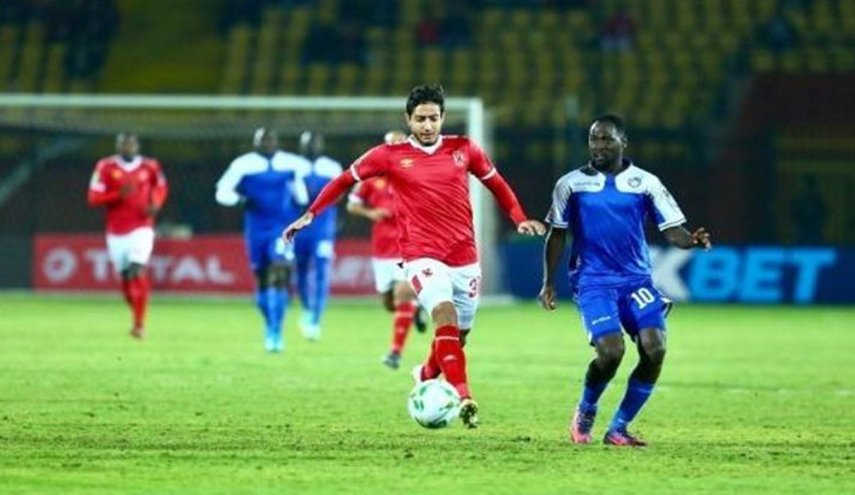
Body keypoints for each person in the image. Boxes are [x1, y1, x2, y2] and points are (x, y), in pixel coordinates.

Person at [284, 84, 545, 428]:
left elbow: (496, 184)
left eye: (433, 118)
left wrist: (519, 217)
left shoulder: (464, 149)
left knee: (458, 336)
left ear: (443, 118)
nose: (427, 125)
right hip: (420, 254)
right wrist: (310, 214)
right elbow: (343, 180)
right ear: (408, 119)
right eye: (420, 119)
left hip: (464, 255)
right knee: (444, 315)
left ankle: (424, 374)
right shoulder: (389, 155)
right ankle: (464, 396)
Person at [539, 114, 712, 446]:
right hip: (594, 282)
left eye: (606, 139)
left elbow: (672, 230)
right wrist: (548, 282)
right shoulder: (570, 184)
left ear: (623, 142)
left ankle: (618, 428)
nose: (599, 145)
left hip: (636, 282)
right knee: (611, 352)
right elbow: (556, 235)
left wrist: (692, 240)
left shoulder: (646, 182)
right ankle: (586, 409)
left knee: (655, 349)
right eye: (594, 139)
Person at [215, 128, 310, 353]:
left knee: (279, 272)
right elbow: (222, 191)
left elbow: (301, 194)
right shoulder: (243, 164)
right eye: (263, 140)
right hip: (256, 230)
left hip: (282, 228)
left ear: (277, 142)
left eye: (271, 140)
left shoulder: (291, 164)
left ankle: (276, 331)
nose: (268, 143)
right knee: (262, 280)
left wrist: (301, 205)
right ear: (255, 142)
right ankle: (270, 325)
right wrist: (239, 200)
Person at [346, 129, 427, 371]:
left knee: (403, 293)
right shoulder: (372, 178)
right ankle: (416, 310)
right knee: (390, 303)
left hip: (410, 245)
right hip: (382, 248)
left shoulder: (419, 174)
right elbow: (352, 205)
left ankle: (395, 352)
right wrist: (371, 213)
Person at [87, 131, 168, 339]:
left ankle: (139, 325)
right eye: (123, 144)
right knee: (125, 282)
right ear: (118, 146)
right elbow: (93, 197)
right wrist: (117, 195)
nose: (127, 148)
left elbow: (161, 187)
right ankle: (137, 313)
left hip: (142, 228)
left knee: (136, 270)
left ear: (137, 146)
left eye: (130, 144)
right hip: (116, 232)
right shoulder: (105, 167)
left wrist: (156, 203)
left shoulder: (150, 166)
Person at [293, 131, 343, 341]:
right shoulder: (294, 166)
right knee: (300, 270)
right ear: (301, 146)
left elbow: (339, 193)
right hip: (299, 228)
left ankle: (315, 319)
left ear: (321, 146)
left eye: (314, 143)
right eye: (307, 144)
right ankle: (307, 307)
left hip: (323, 229)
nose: (311, 147)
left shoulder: (331, 167)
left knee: (322, 270)